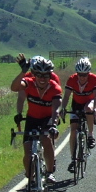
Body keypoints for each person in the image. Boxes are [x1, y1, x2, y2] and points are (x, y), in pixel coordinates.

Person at [11, 56, 62, 184]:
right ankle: (30, 177)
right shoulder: (29, 82)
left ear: (50, 75)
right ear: (34, 75)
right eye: (39, 75)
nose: (42, 78)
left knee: (46, 139)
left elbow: (56, 109)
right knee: (28, 153)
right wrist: (22, 72)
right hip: (32, 119)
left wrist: (54, 125)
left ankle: (50, 173)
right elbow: (14, 88)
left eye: (46, 75)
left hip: (47, 118)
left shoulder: (54, 87)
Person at [61, 57, 96, 173]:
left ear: (88, 73)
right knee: (73, 131)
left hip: (89, 102)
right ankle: (73, 159)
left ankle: (90, 135)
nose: (82, 77)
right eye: (80, 74)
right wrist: (63, 108)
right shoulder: (72, 79)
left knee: (88, 108)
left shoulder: (94, 79)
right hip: (76, 104)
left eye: (85, 75)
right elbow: (67, 96)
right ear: (77, 73)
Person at [13, 54, 60, 129]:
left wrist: (55, 119)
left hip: (48, 114)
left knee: (46, 137)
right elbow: (21, 98)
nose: (35, 74)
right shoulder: (27, 78)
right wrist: (19, 113)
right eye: (33, 71)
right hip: (33, 115)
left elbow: (57, 97)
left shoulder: (53, 77)